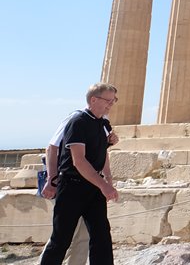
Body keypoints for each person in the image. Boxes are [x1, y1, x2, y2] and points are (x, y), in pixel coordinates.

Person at [39, 83, 120, 265]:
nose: (111, 104)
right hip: (72, 186)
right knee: (61, 239)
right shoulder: (77, 121)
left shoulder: (103, 123)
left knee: (102, 238)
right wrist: (51, 180)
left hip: (94, 186)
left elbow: (102, 153)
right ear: (93, 99)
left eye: (113, 100)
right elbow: (78, 160)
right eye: (108, 100)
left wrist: (108, 179)